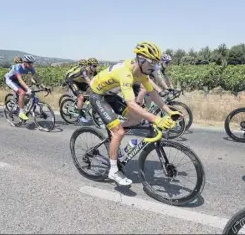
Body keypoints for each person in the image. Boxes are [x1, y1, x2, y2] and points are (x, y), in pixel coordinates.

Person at [89, 41, 182, 186]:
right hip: (97, 95)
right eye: (151, 64)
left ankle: (114, 133)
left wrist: (170, 111)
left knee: (137, 118)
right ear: (141, 60)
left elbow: (152, 93)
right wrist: (156, 119)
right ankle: (113, 170)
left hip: (110, 94)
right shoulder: (126, 73)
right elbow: (131, 103)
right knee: (119, 132)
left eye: (155, 65)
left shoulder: (142, 72)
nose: (153, 68)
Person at [4, 55, 46, 121]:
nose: (31, 65)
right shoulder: (18, 67)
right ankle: (21, 113)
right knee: (22, 93)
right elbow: (20, 80)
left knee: (30, 94)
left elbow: (36, 78)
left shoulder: (31, 68)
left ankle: (21, 105)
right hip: (10, 80)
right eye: (30, 63)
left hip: (17, 81)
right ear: (25, 62)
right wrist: (28, 89)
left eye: (32, 63)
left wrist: (44, 86)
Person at [65, 58, 98, 123]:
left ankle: (81, 104)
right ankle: (80, 116)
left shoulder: (94, 71)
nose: (95, 67)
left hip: (80, 81)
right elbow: (87, 78)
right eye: (94, 66)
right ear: (89, 65)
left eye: (96, 66)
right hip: (72, 81)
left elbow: (98, 79)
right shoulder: (84, 70)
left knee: (91, 91)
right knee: (81, 97)